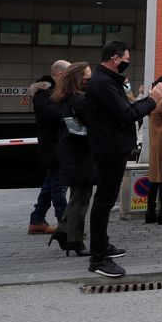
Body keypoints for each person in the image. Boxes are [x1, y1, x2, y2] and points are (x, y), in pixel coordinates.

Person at [84, 40, 162, 277]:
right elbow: (126, 114)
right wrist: (152, 99)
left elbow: (126, 108)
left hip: (113, 146)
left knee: (106, 198)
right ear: (115, 58)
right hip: (109, 149)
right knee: (104, 201)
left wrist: (148, 100)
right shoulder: (103, 83)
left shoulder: (108, 81)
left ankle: (102, 246)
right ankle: (98, 258)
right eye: (126, 58)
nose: (127, 62)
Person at [51, 62, 94, 256]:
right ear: (79, 78)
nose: (90, 79)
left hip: (72, 152)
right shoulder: (79, 100)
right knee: (81, 198)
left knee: (78, 195)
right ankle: (74, 240)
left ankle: (63, 232)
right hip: (79, 153)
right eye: (87, 75)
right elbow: (94, 121)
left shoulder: (67, 98)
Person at [28, 59, 70, 235]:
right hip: (54, 148)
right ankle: (66, 226)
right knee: (58, 187)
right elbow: (55, 116)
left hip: (58, 146)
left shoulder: (57, 92)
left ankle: (37, 220)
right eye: (69, 74)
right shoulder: (44, 94)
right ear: (60, 74)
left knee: (49, 185)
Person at [146, 76, 162, 225]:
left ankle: (150, 212)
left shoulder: (153, 102)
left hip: (156, 143)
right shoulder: (161, 103)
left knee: (155, 181)